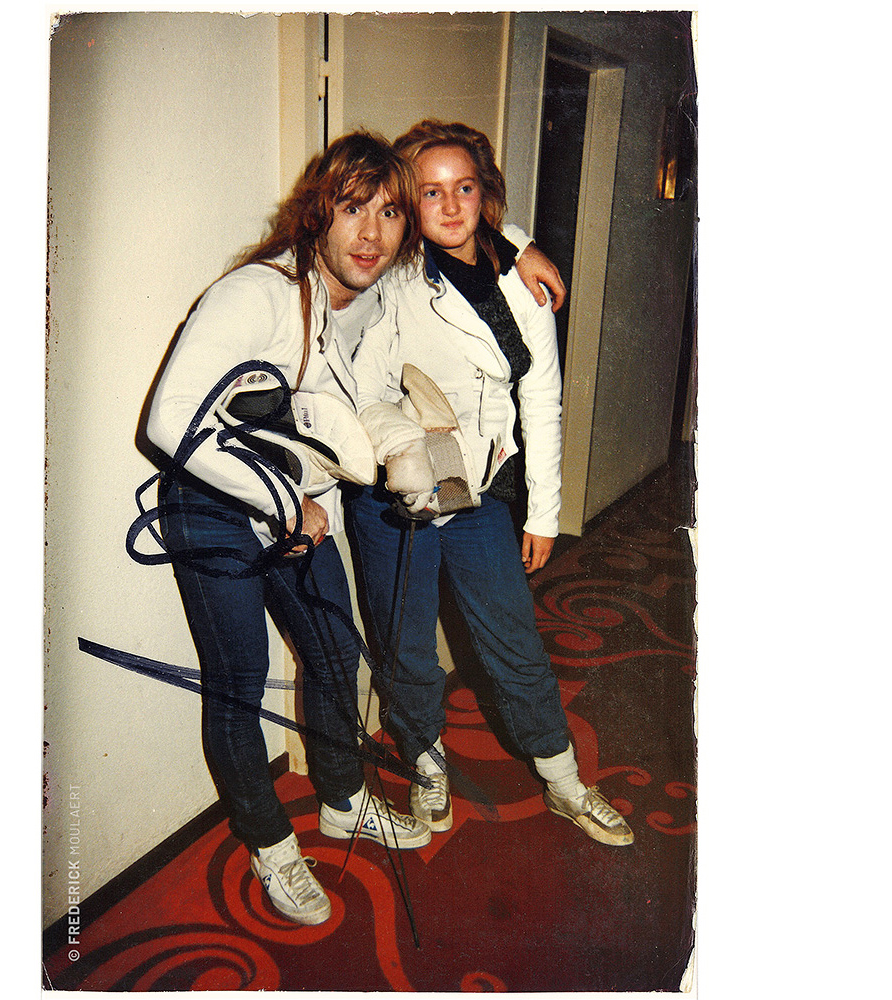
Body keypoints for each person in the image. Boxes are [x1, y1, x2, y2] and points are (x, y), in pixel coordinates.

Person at [145, 132, 434, 927]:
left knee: (338, 654)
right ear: (317, 215)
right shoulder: (256, 292)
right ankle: (272, 847)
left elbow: (309, 432)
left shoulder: (349, 302)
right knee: (238, 684)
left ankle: (343, 800)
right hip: (210, 505)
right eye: (353, 210)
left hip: (286, 506)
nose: (371, 234)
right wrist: (281, 503)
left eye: (389, 214)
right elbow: (170, 422)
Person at [348, 120, 634, 847]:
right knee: (406, 645)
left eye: (465, 189)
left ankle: (566, 778)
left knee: (513, 638)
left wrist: (545, 513)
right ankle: (426, 762)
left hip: (481, 489)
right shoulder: (395, 279)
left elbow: (539, 398)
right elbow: (367, 386)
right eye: (430, 192)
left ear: (487, 196)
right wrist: (404, 443)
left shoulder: (521, 275)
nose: (449, 207)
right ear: (409, 202)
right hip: (397, 495)